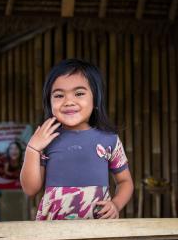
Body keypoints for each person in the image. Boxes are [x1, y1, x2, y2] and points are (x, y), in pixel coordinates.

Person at [20, 59, 133, 220]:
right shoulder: (45, 140)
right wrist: (32, 148)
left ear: (96, 100)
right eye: (59, 95)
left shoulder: (110, 140)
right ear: (49, 102)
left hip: (97, 231)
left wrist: (116, 204)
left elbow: (125, 182)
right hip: (53, 233)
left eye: (79, 93)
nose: (69, 102)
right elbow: (30, 189)